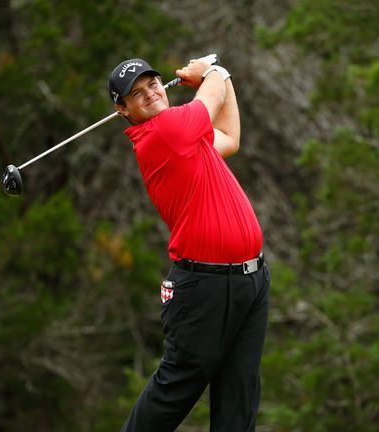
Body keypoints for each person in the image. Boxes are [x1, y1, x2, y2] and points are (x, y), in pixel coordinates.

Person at [108, 56, 270, 432]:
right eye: (136, 93)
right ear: (123, 109)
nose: (149, 94)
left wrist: (221, 77)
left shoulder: (185, 137)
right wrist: (212, 72)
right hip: (204, 287)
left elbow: (229, 137)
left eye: (152, 84)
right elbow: (208, 100)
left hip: (251, 279)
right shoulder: (161, 133)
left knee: (239, 393)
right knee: (175, 388)